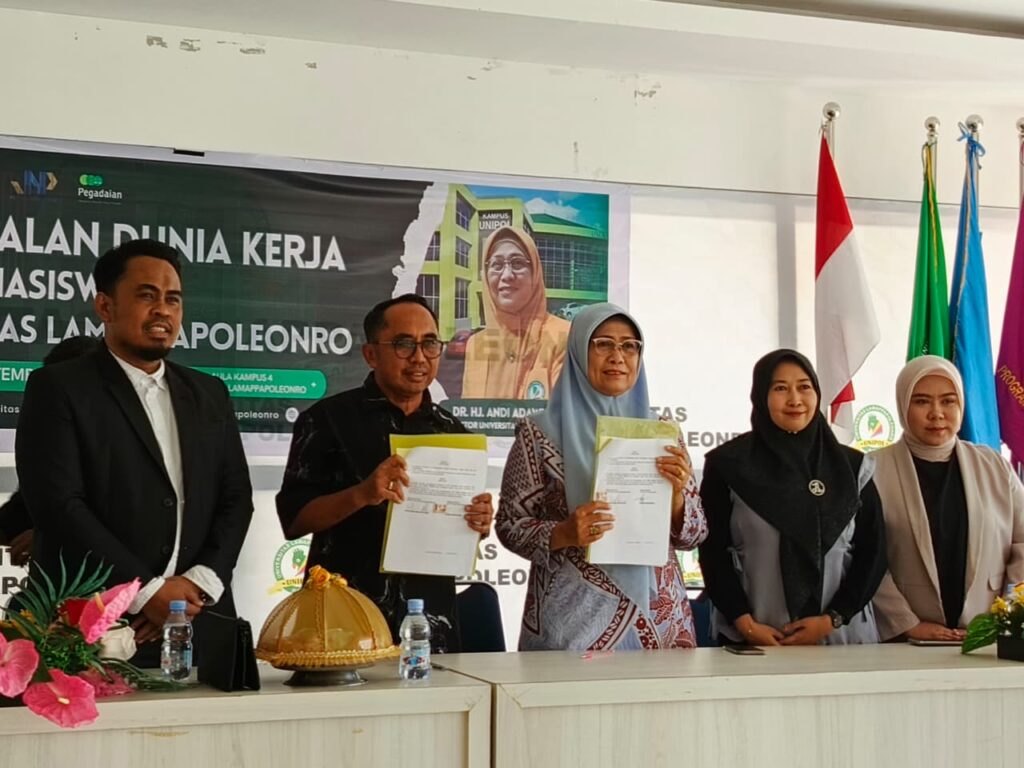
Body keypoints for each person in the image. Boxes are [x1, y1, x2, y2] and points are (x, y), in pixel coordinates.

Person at [15, 239, 254, 658]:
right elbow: (58, 505)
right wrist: (146, 592)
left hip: (200, 618)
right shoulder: (59, 387)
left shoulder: (209, 393)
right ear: (105, 306)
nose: (163, 310)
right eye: (147, 296)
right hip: (96, 625)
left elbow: (236, 498)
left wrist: (198, 583)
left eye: (173, 299)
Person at [276, 294, 494, 653]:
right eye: (404, 344)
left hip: (429, 623)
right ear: (371, 354)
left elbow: (457, 530)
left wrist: (476, 523)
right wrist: (362, 494)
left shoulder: (454, 433)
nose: (419, 357)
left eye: (430, 344)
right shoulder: (326, 421)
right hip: (343, 621)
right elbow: (294, 520)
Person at [495, 303, 706, 650]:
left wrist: (678, 499)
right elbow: (509, 525)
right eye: (603, 344)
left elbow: (694, 534)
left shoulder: (662, 433)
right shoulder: (539, 434)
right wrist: (563, 533)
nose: (617, 357)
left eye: (629, 346)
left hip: (660, 624)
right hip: (572, 623)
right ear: (579, 350)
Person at [699, 349, 886, 646]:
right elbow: (712, 552)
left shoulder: (853, 468)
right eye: (780, 388)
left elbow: (874, 553)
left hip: (841, 639)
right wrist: (745, 623)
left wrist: (833, 618)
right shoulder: (728, 466)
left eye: (804, 387)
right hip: (757, 639)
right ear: (761, 395)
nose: (795, 399)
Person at [872, 356, 1024, 642]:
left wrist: (1007, 613)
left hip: (986, 635)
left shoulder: (994, 466)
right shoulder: (872, 470)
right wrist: (906, 623)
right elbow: (863, 558)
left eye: (948, 401)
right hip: (904, 641)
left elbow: (1022, 544)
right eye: (922, 401)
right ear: (903, 404)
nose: (937, 413)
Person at [0, 336, 100, 567]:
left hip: (126, 580)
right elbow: (26, 508)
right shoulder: (52, 440)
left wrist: (56, 538)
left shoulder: (132, 439)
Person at [462, 226, 570, 400]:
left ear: (535, 273)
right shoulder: (476, 344)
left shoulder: (565, 336)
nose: (507, 275)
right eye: (496, 265)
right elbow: (468, 413)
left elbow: (565, 412)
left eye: (518, 263)